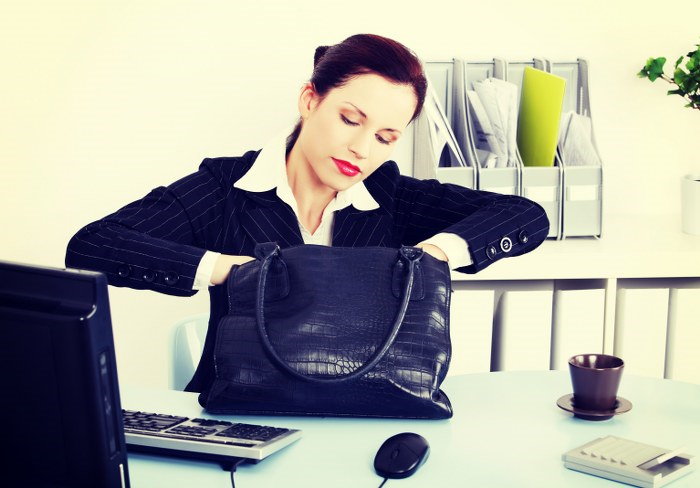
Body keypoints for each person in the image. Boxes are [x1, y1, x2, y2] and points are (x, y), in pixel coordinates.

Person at [65, 34, 550, 393]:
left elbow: (526, 214)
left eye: (384, 137)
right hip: (236, 407)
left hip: (367, 410)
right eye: (350, 119)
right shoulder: (227, 187)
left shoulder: (392, 197)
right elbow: (92, 246)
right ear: (309, 99)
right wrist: (225, 270)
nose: (361, 149)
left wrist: (436, 253)